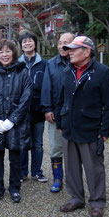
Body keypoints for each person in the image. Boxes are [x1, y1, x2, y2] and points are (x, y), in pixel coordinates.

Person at [55, 36, 109, 217]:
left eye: (74, 49)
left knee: (94, 168)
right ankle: (76, 198)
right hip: (69, 128)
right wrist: (60, 122)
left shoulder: (103, 72)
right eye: (69, 49)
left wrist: (105, 131)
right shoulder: (67, 71)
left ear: (87, 51)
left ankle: (97, 201)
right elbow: (61, 99)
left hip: (91, 128)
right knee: (72, 167)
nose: (69, 52)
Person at [0, 40, 32, 204]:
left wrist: (12, 120)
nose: (4, 55)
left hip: (16, 123)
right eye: (1, 52)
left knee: (15, 157)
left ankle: (14, 188)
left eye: (8, 51)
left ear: (14, 53)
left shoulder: (23, 72)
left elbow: (26, 99)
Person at [41, 32, 75, 193]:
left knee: (75, 148)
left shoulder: (79, 63)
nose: (62, 46)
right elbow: (46, 87)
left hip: (76, 113)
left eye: (66, 43)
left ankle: (73, 179)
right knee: (56, 147)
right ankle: (57, 178)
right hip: (56, 112)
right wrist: (47, 108)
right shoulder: (51, 64)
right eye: (60, 43)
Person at [18, 32, 48, 182]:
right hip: (22, 110)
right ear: (21, 45)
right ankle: (23, 172)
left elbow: (48, 87)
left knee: (38, 142)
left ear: (35, 43)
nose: (27, 44)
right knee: (23, 142)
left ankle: (36, 171)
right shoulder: (17, 64)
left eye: (30, 41)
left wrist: (47, 107)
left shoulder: (44, 64)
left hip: (38, 109)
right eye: (24, 42)